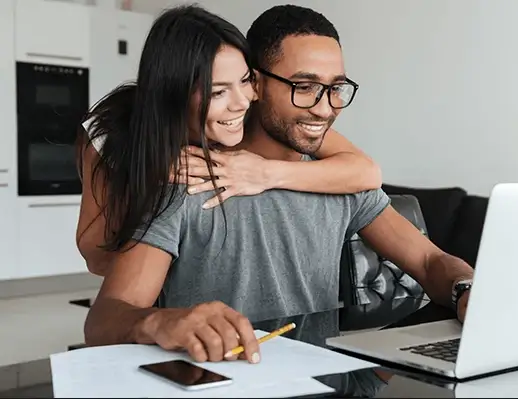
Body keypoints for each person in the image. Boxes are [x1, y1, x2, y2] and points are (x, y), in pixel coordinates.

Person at [84, 4, 475, 366]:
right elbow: (105, 318)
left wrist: (466, 290)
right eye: (303, 87)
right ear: (257, 83)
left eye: (335, 88)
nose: (324, 108)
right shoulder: (187, 178)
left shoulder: (339, 182)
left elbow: (429, 261)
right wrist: (159, 322)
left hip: (325, 386)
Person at [75, 9, 382, 277]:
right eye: (218, 92)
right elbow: (95, 255)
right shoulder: (113, 133)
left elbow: (366, 173)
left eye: (246, 80)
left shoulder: (253, 110)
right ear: (176, 94)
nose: (242, 102)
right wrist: (151, 180)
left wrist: (262, 173)